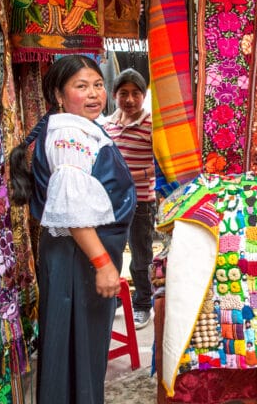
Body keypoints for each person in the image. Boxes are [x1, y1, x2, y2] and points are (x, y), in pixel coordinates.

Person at [9, 55, 136, 404]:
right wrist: (104, 264)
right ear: (59, 95)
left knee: (79, 346)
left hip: (76, 255)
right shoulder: (69, 134)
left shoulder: (77, 126)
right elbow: (73, 210)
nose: (94, 94)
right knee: (76, 346)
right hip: (77, 257)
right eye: (81, 86)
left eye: (97, 84)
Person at [102, 68, 156, 329]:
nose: (130, 99)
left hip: (141, 201)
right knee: (111, 251)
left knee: (141, 255)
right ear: (114, 95)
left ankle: (143, 304)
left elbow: (162, 166)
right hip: (112, 202)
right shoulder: (106, 124)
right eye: (124, 93)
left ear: (144, 95)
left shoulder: (151, 125)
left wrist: (132, 175)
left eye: (136, 93)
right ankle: (114, 301)